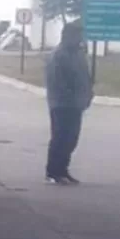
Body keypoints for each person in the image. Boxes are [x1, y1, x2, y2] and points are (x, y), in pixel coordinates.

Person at [45, 21, 93, 185]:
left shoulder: (78, 54)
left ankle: (63, 170)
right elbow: (57, 81)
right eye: (76, 35)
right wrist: (71, 96)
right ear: (66, 36)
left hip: (76, 104)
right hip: (61, 103)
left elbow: (85, 76)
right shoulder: (59, 55)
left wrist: (88, 94)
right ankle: (53, 171)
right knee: (60, 137)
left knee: (71, 138)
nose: (79, 38)